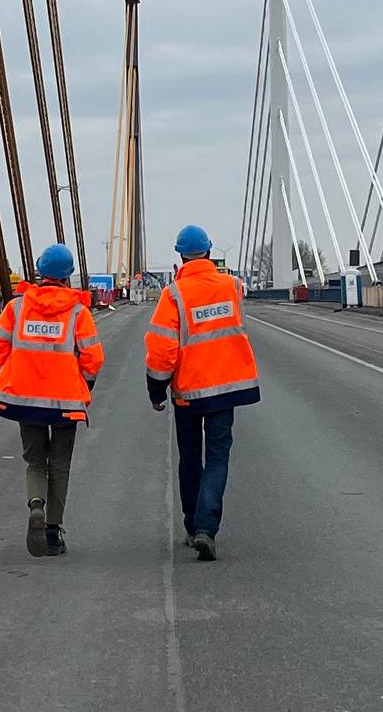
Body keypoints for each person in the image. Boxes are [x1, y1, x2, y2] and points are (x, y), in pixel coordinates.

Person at [146, 225, 260, 562]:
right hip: (227, 389)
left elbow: (161, 349)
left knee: (191, 458)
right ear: (210, 252)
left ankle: (191, 523)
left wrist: (156, 389)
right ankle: (206, 529)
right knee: (218, 456)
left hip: (189, 392)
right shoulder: (233, 287)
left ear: (180, 255)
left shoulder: (174, 295)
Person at [0, 243, 103, 557]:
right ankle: (52, 532)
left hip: (25, 398)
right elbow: (93, 356)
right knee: (60, 464)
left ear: (40, 272)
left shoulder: (17, 307)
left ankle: (35, 505)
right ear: (68, 277)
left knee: (35, 461)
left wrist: (11, 373)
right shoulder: (78, 311)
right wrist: (84, 385)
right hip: (65, 400)